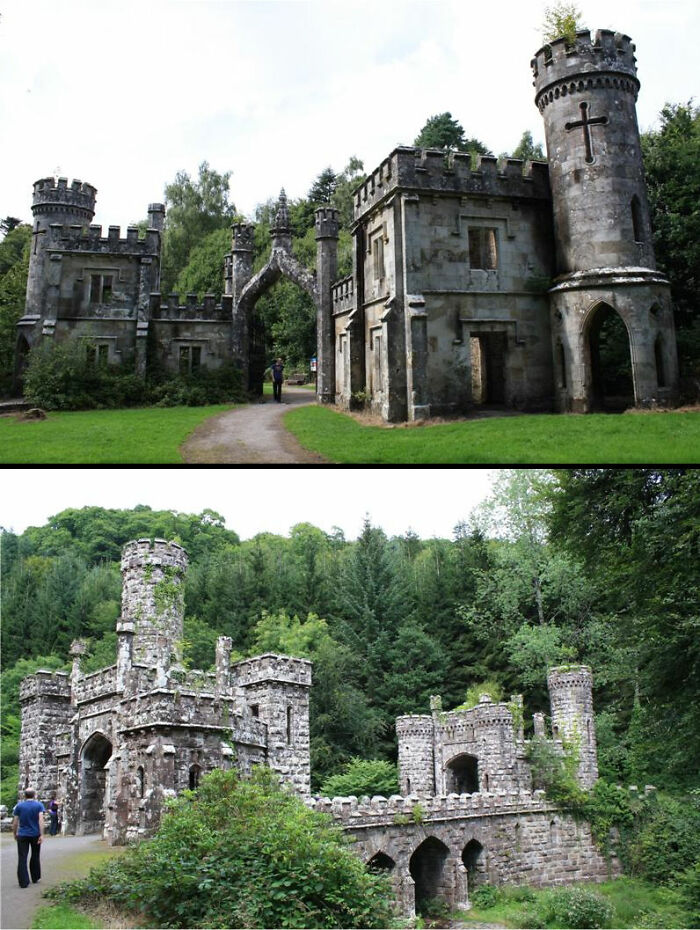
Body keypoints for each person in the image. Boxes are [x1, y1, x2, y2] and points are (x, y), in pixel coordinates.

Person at [12, 788, 45, 888]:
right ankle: (35, 877)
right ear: (34, 795)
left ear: (24, 795)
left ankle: (23, 881)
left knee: (22, 857)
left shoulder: (19, 806)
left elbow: (15, 821)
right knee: (35, 855)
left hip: (22, 834)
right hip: (35, 834)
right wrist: (42, 834)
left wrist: (14, 833)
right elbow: (41, 820)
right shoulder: (39, 805)